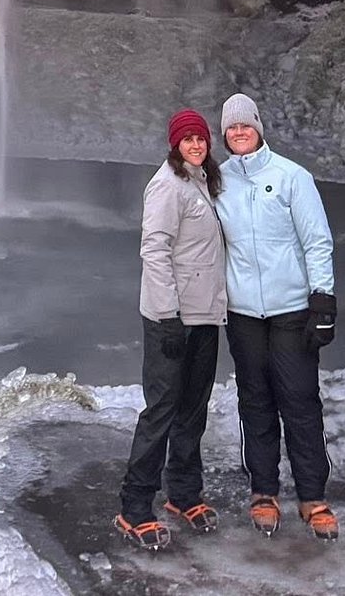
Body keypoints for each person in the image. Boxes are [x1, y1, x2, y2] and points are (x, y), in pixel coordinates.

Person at [215, 91, 339, 541]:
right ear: (224, 135)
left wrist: (322, 300)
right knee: (256, 401)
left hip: (291, 310)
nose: (239, 131)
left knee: (300, 400)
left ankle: (313, 496)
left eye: (246, 124)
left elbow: (317, 240)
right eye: (231, 126)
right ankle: (263, 490)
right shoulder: (219, 180)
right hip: (243, 311)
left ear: (259, 129)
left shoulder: (291, 177)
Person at [115, 108, 226, 552]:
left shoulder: (204, 181)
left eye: (201, 139)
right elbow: (154, 251)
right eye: (187, 140)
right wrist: (167, 318)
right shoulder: (167, 185)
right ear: (174, 144)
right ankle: (134, 507)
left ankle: (183, 494)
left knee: (193, 410)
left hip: (204, 316)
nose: (195, 145)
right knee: (161, 410)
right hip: (172, 319)